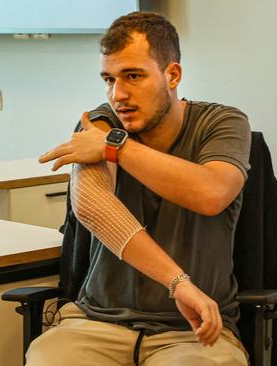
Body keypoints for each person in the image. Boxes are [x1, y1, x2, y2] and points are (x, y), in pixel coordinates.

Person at [35, 11, 251, 366]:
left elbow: (212, 194)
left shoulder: (223, 123)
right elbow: (92, 207)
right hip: (95, 323)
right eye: (109, 79)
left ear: (173, 75)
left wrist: (116, 147)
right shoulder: (99, 123)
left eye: (133, 76)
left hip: (194, 331)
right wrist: (178, 283)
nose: (119, 94)